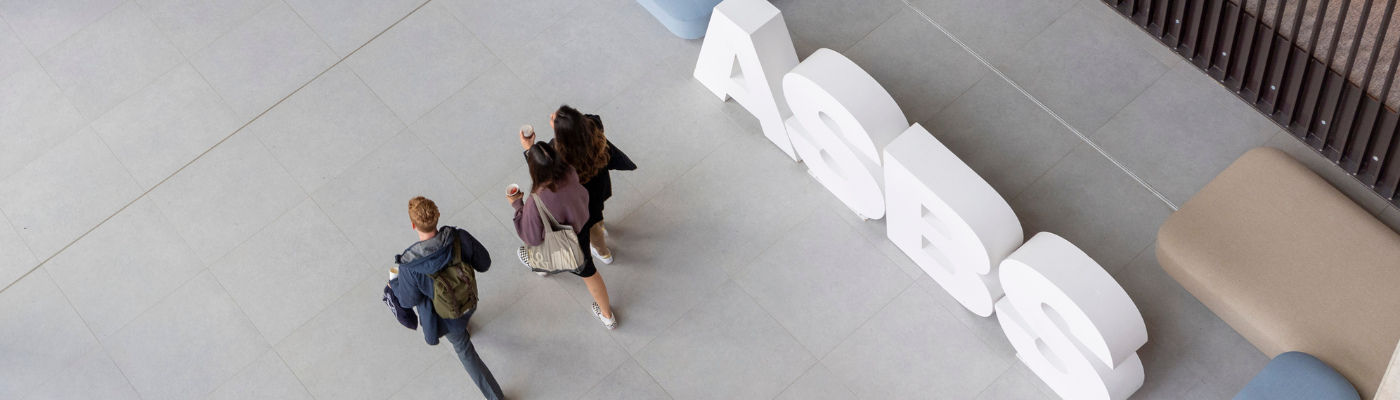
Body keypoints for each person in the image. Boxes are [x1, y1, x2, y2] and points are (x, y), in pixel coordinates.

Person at [390, 197, 504, 400]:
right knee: (463, 319)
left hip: (446, 317)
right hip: (468, 300)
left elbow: (408, 301)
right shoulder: (460, 238)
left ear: (413, 224)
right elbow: (484, 263)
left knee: (464, 350)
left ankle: (496, 397)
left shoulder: (410, 268)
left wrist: (395, 284)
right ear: (438, 215)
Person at [509, 142, 617, 330]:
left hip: (563, 244)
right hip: (582, 228)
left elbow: (532, 237)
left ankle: (543, 267)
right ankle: (607, 316)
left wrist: (518, 206)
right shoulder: (570, 171)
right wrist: (531, 149)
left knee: (534, 250)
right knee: (589, 272)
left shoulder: (536, 202)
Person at [545, 105, 636, 265]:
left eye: (554, 118)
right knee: (599, 211)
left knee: (592, 228)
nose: (552, 115)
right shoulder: (594, 129)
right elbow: (592, 117)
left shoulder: (558, 155)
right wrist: (571, 121)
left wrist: (528, 149)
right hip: (600, 188)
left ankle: (603, 253)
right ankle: (601, 225)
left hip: (584, 202)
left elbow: (542, 170)